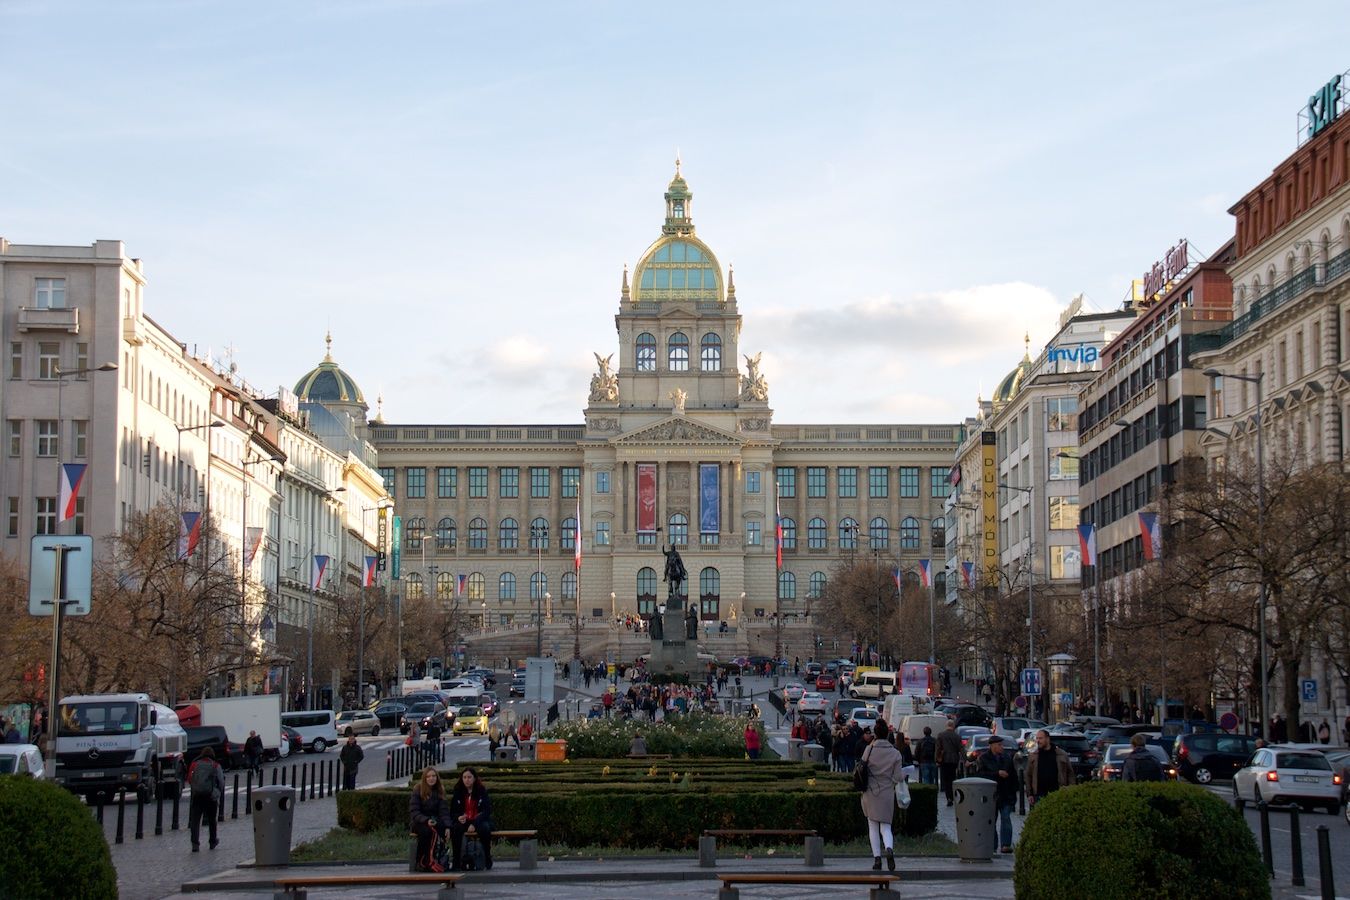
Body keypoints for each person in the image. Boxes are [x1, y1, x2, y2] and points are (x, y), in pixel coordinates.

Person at [860, 719, 905, 872]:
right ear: (887, 734)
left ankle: (877, 859)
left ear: (875, 734)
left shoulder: (869, 749)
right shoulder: (895, 753)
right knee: (886, 826)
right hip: (886, 792)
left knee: (872, 826)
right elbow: (898, 777)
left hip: (870, 791)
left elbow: (862, 768)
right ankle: (889, 848)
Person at [976, 734, 1017, 853]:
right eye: (999, 745)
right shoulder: (984, 758)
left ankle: (1005, 844)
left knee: (1006, 818)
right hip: (990, 795)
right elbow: (981, 775)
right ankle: (992, 845)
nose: (1001, 747)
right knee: (991, 821)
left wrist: (1013, 794)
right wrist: (997, 773)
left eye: (1001, 744)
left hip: (1006, 794)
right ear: (992, 746)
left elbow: (1013, 776)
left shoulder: (1007, 757)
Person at [448, 767, 494, 870]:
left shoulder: (481, 791)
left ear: (474, 778)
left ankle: (487, 857)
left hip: (479, 820)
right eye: (464, 777)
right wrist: (458, 817)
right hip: (464, 821)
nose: (467, 780)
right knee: (456, 828)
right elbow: (453, 812)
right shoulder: (458, 791)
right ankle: (456, 861)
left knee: (485, 828)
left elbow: (486, 811)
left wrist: (474, 823)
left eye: (469, 777)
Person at [409, 767, 451, 872]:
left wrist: (447, 827)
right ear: (424, 778)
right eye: (428, 776)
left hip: (434, 821)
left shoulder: (440, 790)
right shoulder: (418, 789)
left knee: (443, 829)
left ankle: (438, 858)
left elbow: (444, 812)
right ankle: (423, 860)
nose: (431, 778)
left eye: (433, 776)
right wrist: (426, 820)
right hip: (419, 822)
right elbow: (414, 811)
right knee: (428, 831)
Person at [187, 747, 225, 852]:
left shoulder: (195, 764)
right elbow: (221, 782)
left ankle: (195, 843)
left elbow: (189, 778)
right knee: (212, 820)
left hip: (197, 796)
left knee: (195, 821)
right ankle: (212, 841)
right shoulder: (215, 765)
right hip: (210, 796)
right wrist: (217, 792)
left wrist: (196, 788)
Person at [1025, 729, 1074, 805]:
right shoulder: (1034, 755)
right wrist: (1029, 794)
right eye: (1037, 738)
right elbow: (1028, 775)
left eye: (1040, 738)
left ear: (1047, 739)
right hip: (1038, 795)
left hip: (1057, 793)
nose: (1038, 741)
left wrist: (1070, 789)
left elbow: (1070, 773)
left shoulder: (1060, 753)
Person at [935, 719, 963, 807]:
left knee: (946, 779)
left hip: (944, 759)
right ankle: (953, 794)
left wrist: (936, 759)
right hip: (954, 759)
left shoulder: (941, 735)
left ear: (946, 726)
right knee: (953, 777)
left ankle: (949, 798)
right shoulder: (957, 736)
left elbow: (938, 748)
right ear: (953, 726)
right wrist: (966, 759)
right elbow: (961, 749)